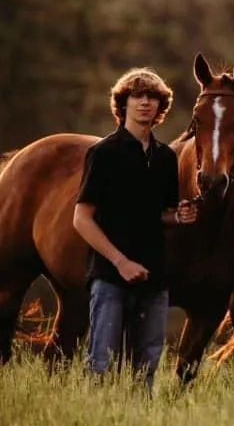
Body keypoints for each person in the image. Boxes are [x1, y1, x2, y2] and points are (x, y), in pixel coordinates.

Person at [73, 68, 198, 390]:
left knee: (147, 367)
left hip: (155, 277)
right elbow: (82, 219)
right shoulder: (104, 153)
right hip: (110, 276)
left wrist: (179, 217)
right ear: (123, 104)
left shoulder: (165, 157)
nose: (145, 103)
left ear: (160, 107)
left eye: (152, 97)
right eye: (137, 96)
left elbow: (162, 215)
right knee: (102, 364)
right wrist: (120, 262)